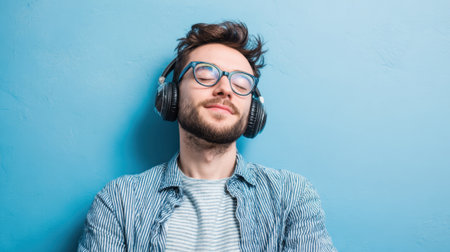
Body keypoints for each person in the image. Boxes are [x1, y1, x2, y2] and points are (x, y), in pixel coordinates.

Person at [78, 21, 337, 251]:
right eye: (205, 74)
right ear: (171, 96)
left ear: (254, 110)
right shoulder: (119, 202)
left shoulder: (291, 196)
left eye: (242, 83)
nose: (225, 88)